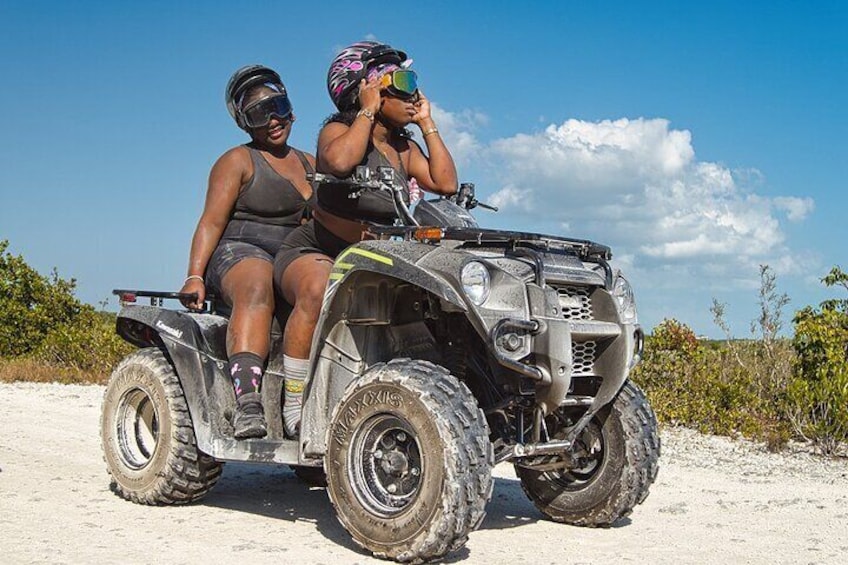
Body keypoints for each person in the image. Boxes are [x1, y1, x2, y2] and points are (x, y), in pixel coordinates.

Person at [273, 41, 458, 436]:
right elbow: (338, 162)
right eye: (402, 84)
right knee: (319, 287)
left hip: (370, 260)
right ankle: (294, 397)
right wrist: (368, 109)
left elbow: (445, 182)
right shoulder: (337, 130)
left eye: (415, 86)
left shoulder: (402, 148)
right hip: (317, 249)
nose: (411, 96)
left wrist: (427, 124)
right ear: (366, 86)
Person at [179, 65, 315, 439]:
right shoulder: (237, 160)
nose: (273, 120)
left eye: (278, 107)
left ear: (292, 108)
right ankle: (248, 403)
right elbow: (210, 222)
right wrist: (194, 275)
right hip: (238, 252)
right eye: (259, 114)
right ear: (245, 124)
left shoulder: (312, 164)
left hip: (289, 256)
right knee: (257, 283)